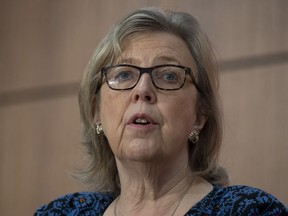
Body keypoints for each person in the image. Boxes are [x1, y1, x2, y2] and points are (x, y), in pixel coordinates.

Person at [35, 7, 288, 216]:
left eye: (168, 75)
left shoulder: (252, 211)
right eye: (124, 74)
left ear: (200, 115)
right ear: (95, 112)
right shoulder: (59, 213)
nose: (143, 90)